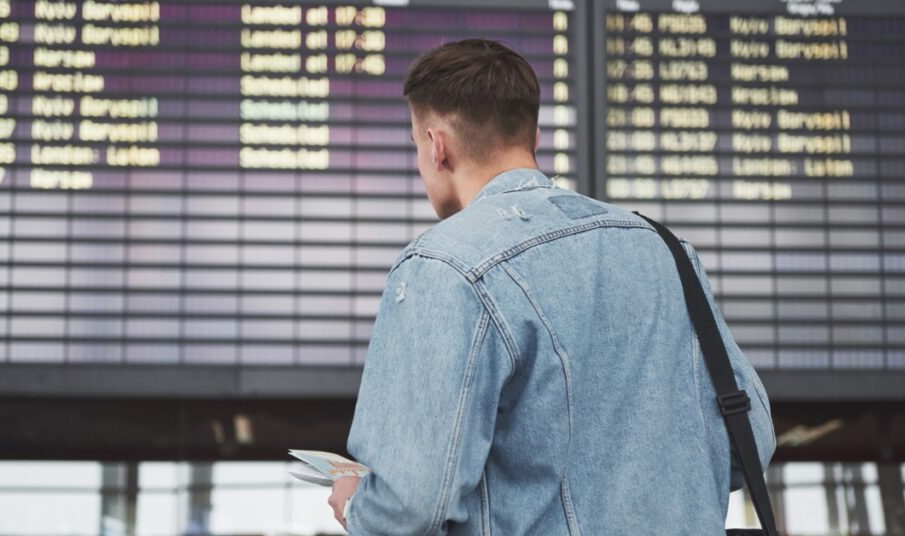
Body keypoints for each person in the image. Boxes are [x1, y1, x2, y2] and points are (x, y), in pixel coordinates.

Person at [326, 39, 776, 535]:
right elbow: (749, 443)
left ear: (437, 146)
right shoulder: (667, 251)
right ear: (533, 137)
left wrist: (357, 506)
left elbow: (412, 506)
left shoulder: (443, 265)